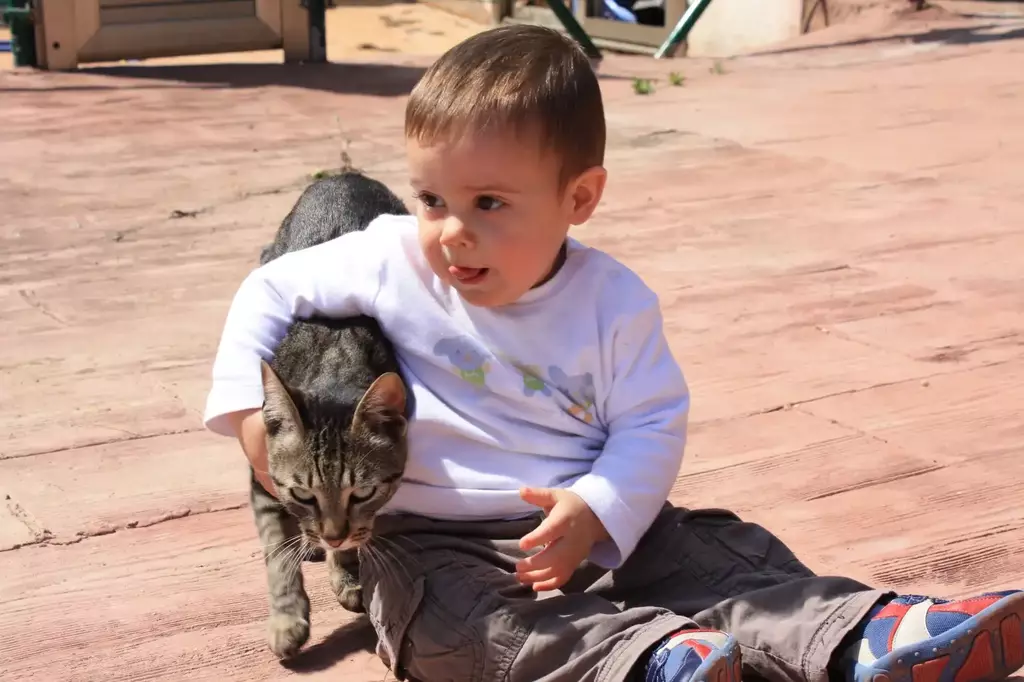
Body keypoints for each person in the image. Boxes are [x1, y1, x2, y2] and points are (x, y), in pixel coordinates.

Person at [203, 24, 1023, 682]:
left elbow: (651, 424)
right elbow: (268, 289)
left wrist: (599, 508)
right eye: (431, 198)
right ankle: (651, 662)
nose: (451, 230)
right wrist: (246, 416)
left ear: (580, 197)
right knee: (458, 626)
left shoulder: (614, 303)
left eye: (488, 203)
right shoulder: (392, 259)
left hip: (594, 527)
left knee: (717, 556)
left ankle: (866, 635)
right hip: (432, 542)